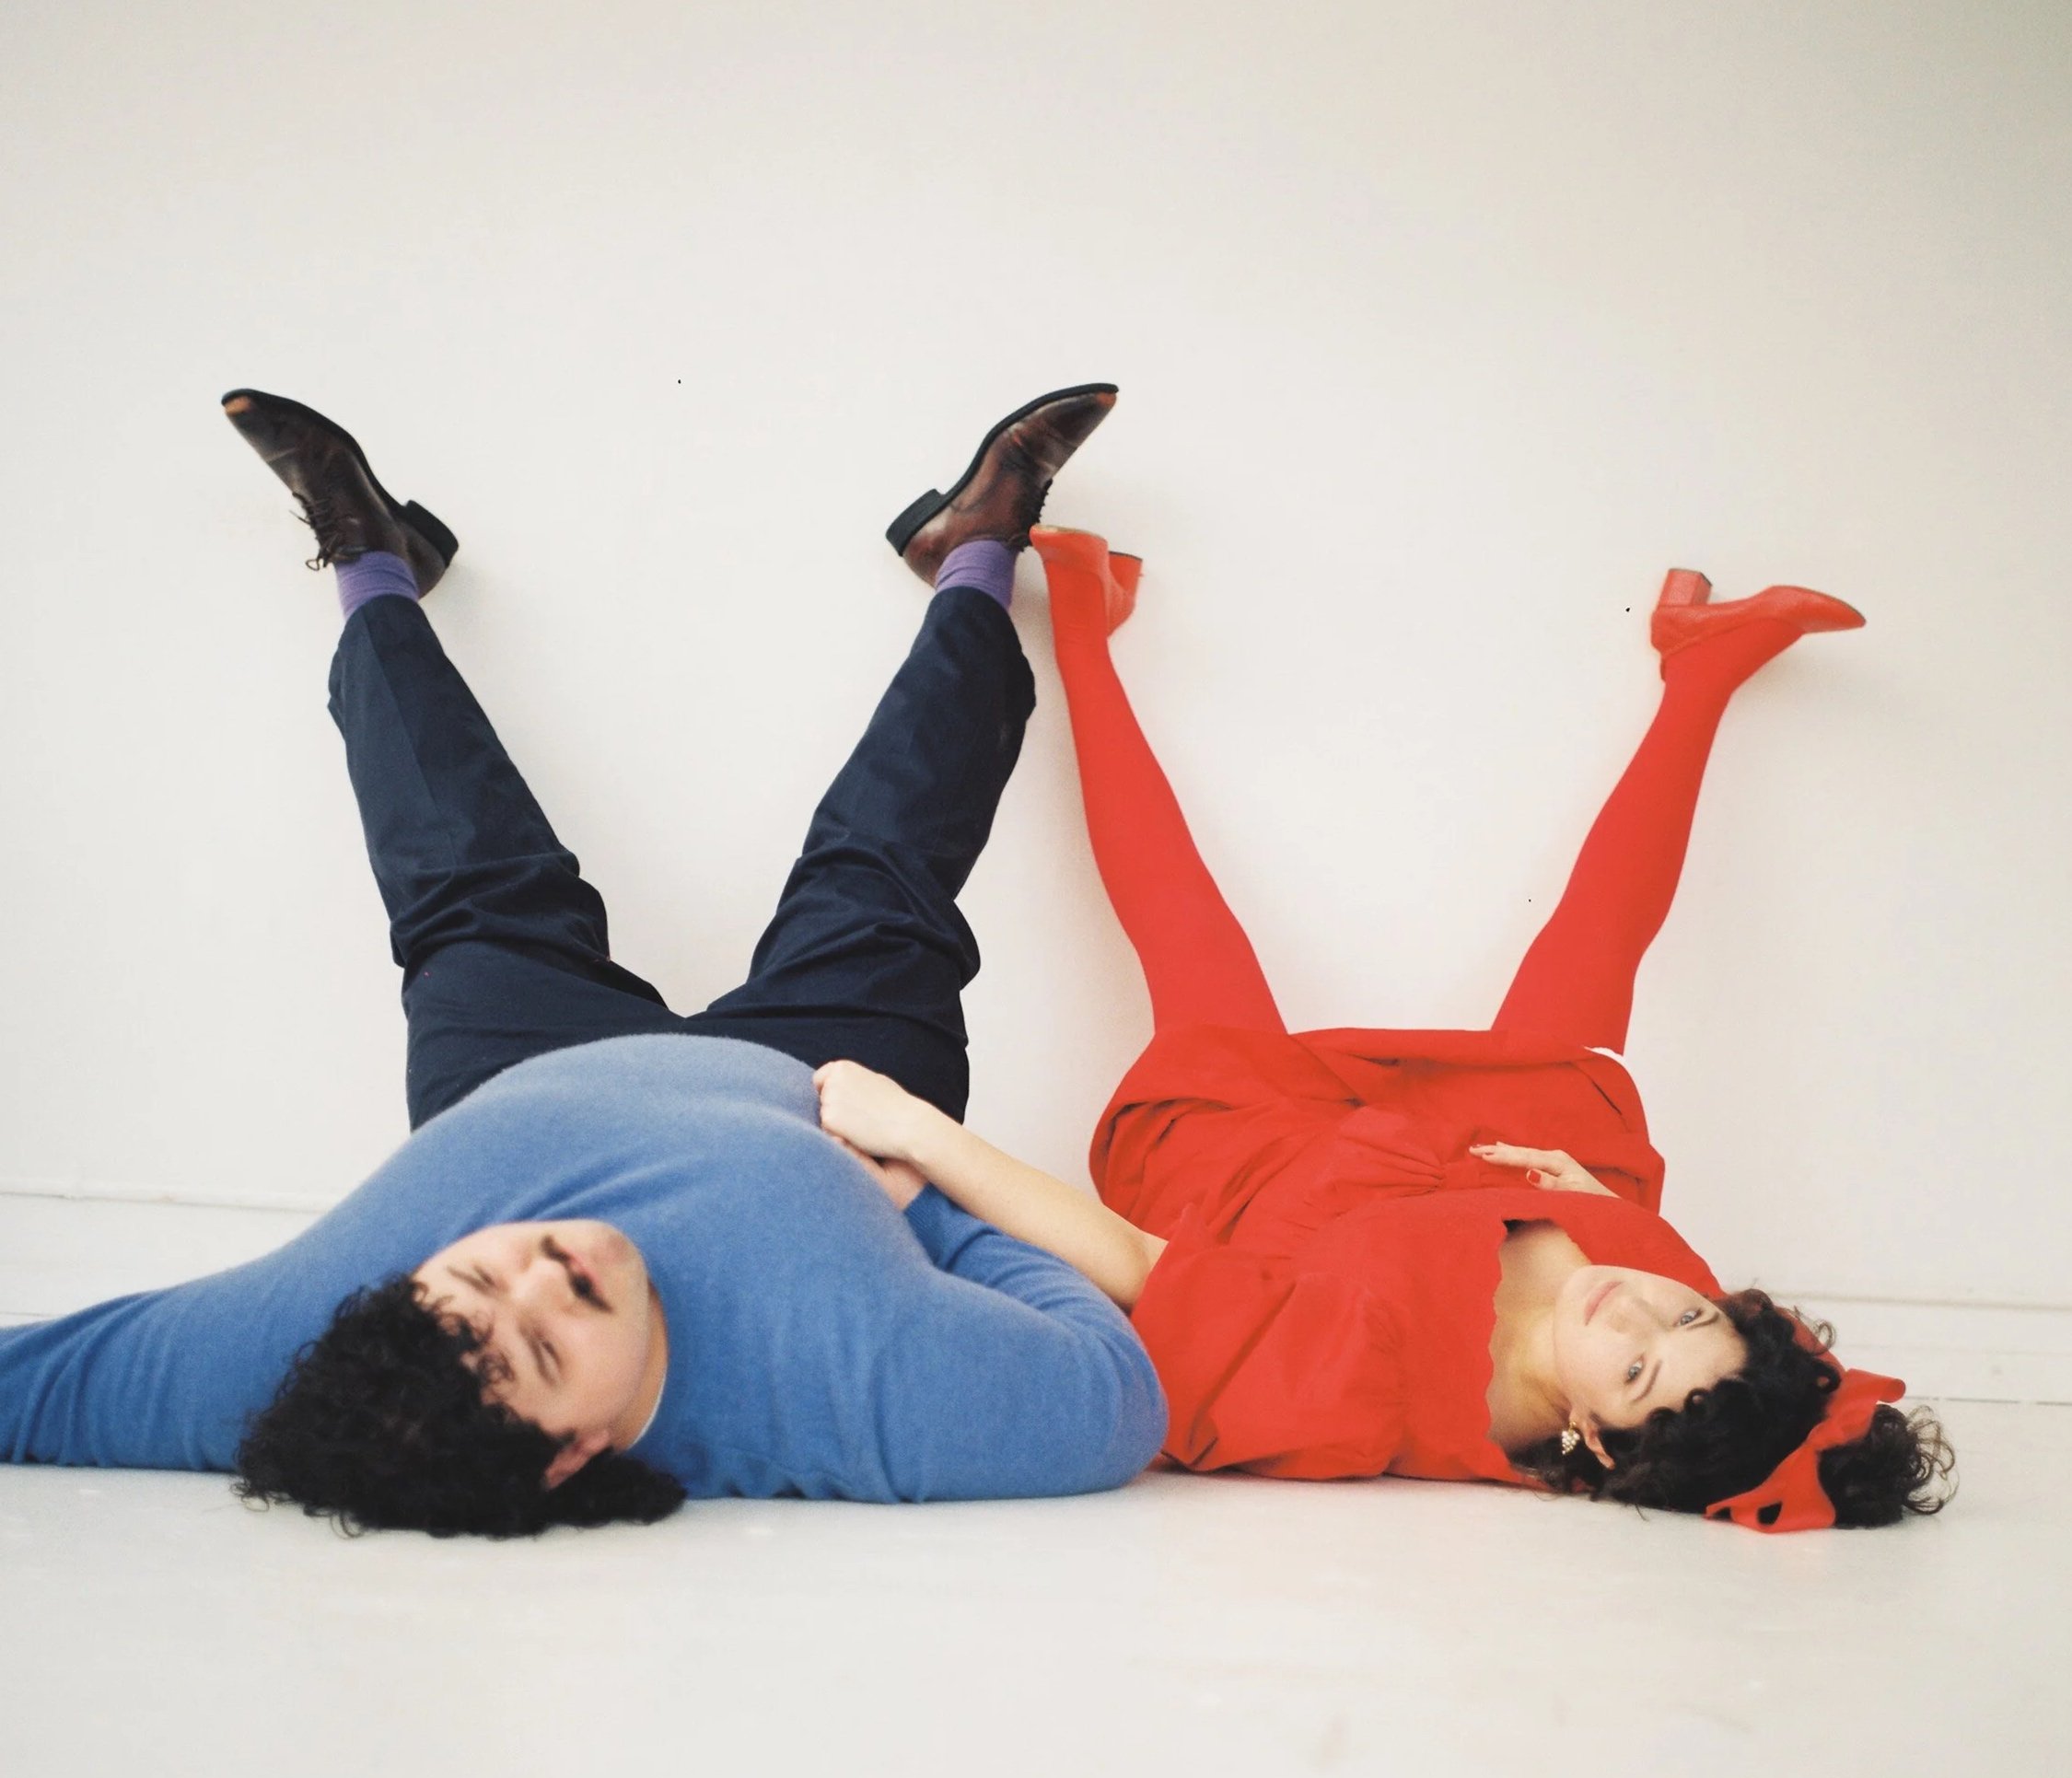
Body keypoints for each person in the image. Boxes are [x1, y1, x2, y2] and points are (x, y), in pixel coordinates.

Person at [0, 388, 1168, 1538]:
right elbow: (1111, 1399)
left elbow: (34, 1388)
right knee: (883, 872)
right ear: (570, 1457)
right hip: (832, 1097)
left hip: (525, 1061)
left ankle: (372, 560)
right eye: (551, 1346)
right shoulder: (854, 1403)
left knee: (462, 882)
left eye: (479, 1280)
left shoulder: (322, 1338)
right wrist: (932, 1197)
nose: (548, 1274)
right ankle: (975, 555)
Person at [810, 525, 1955, 1532]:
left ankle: (1084, 634)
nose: (1641, 1305)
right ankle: (1699, 670)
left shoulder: (1352, 1387)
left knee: (1191, 949)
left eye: (1640, 1363)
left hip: (1269, 1203)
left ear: (1599, 1442)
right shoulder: (1659, 1297)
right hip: (1471, 1179)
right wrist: (1595, 1212)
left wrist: (915, 1127)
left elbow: (1134, 1266)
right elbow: (1727, 1351)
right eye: (1689, 1311)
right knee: (1587, 991)